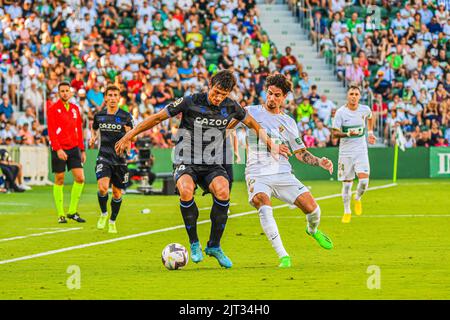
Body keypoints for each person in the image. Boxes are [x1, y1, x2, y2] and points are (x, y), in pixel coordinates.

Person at [115, 70, 290, 268]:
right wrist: (128, 135)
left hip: (211, 162)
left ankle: (214, 246)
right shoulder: (190, 101)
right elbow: (157, 118)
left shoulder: (231, 106)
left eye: (223, 94)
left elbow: (253, 124)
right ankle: (194, 243)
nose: (218, 98)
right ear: (210, 85)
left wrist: (271, 145)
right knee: (186, 190)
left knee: (223, 191)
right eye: (215, 92)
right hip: (185, 158)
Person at [229, 74, 333, 268]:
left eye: (277, 95)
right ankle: (283, 256)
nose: (272, 98)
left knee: (314, 210)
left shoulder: (289, 122)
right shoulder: (250, 111)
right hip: (257, 173)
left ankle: (312, 230)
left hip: (283, 174)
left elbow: (301, 153)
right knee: (263, 205)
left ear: (284, 97)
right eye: (269, 93)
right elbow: (227, 126)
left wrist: (319, 162)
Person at [89, 85, 133, 234]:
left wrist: (128, 145)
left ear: (119, 98)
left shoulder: (126, 116)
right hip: (104, 156)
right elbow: (94, 127)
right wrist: (93, 137)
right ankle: (103, 214)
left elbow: (131, 134)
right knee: (102, 188)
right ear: (105, 98)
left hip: (120, 159)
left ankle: (112, 221)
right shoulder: (99, 116)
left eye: (115, 95)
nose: (113, 98)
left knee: (116, 193)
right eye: (110, 95)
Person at [332, 83, 376, 223]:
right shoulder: (341, 112)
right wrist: (347, 133)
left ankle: (357, 198)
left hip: (361, 151)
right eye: (351, 94)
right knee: (346, 185)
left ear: (360, 96)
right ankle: (347, 211)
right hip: (345, 153)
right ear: (347, 96)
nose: (354, 97)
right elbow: (334, 133)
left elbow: (371, 116)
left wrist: (370, 132)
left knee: (364, 181)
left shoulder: (364, 109)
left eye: (356, 94)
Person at [47, 82, 86, 224]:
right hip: (59, 148)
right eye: (62, 91)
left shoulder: (75, 109)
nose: (64, 93)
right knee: (60, 179)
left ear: (70, 93)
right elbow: (51, 131)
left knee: (80, 178)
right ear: (58, 93)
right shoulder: (53, 109)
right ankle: (61, 214)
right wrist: (58, 149)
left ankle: (72, 211)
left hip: (74, 147)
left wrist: (82, 149)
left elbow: (79, 130)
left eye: (66, 91)